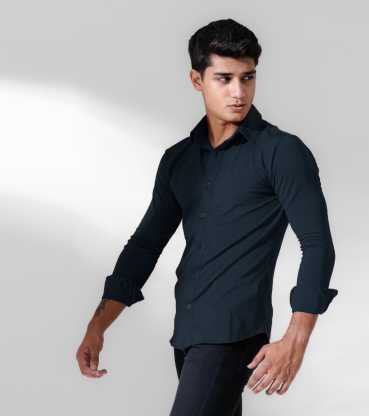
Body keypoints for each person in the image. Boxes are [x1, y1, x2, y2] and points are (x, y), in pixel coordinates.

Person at [76, 18, 338, 415]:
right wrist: (98, 325)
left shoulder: (281, 152)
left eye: (247, 77)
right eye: (224, 79)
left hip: (234, 335)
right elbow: (145, 245)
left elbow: (317, 245)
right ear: (197, 80)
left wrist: (295, 340)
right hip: (187, 335)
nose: (239, 92)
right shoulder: (178, 160)